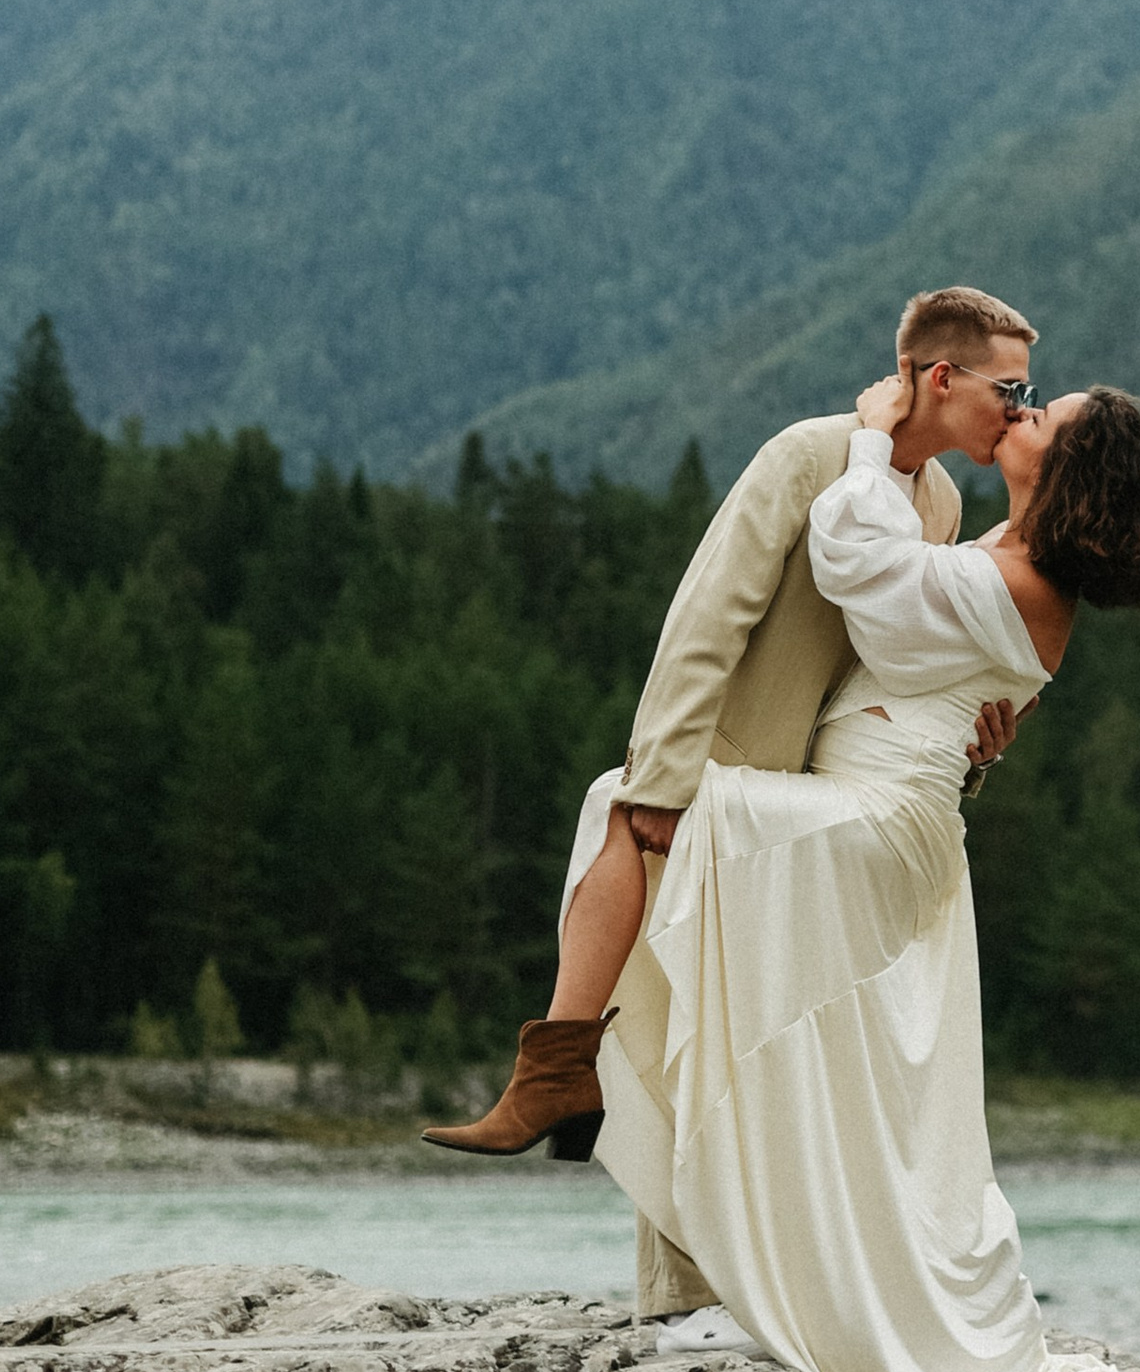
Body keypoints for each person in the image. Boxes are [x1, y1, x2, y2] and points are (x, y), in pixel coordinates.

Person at [580, 362, 1140, 1372]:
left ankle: (582, 1093)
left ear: (1073, 463)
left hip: (875, 827)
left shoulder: (1025, 581)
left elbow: (857, 565)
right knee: (777, 1037)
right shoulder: (999, 558)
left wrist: (874, 440)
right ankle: (742, 1276)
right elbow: (945, 678)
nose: (1025, 409)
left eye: (1047, 414)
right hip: (872, 814)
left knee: (630, 808)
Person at [422, 288, 1039, 1311]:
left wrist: (970, 735)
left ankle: (715, 1265)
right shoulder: (807, 453)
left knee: (741, 1052)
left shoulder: (937, 503)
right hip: (723, 766)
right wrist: (662, 781)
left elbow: (894, 657)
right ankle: (644, 1236)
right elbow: (707, 616)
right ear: (941, 376)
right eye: (1010, 388)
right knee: (667, 1011)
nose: (1020, 410)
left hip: (816, 797)